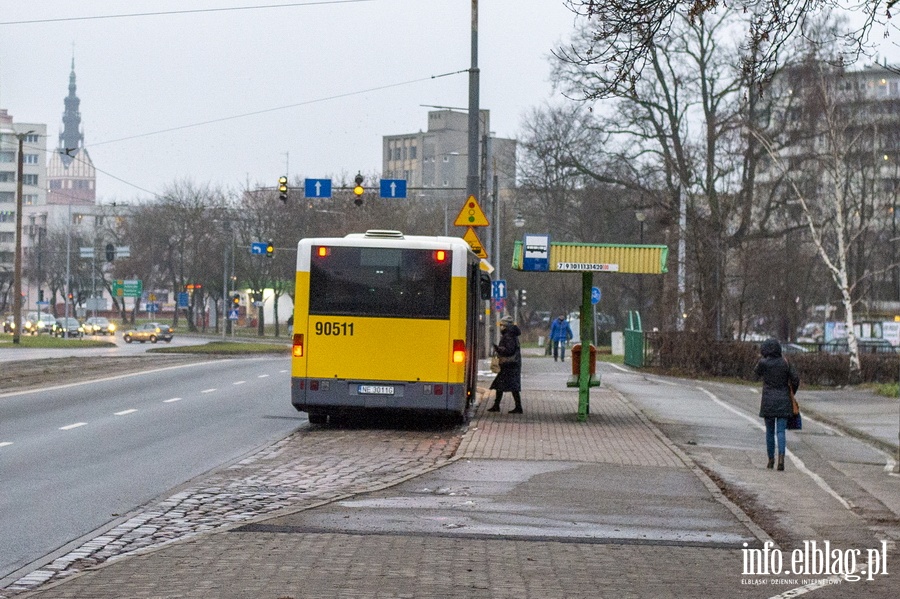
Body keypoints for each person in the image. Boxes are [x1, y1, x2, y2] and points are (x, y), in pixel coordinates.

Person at [754, 338, 800, 471]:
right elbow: (795, 379)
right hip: (784, 400)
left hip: (768, 401)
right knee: (781, 431)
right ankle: (781, 459)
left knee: (769, 431)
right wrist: (792, 392)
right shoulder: (785, 362)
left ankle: (770, 460)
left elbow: (755, 375)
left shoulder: (763, 363)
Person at [488, 316, 523, 414]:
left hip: (509, 364)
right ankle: (498, 405)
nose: (501, 327)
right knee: (503, 385)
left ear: (505, 325)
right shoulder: (512, 334)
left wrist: (498, 349)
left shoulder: (508, 336)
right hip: (512, 364)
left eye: (502, 325)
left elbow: (509, 350)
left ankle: (517, 407)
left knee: (507, 385)